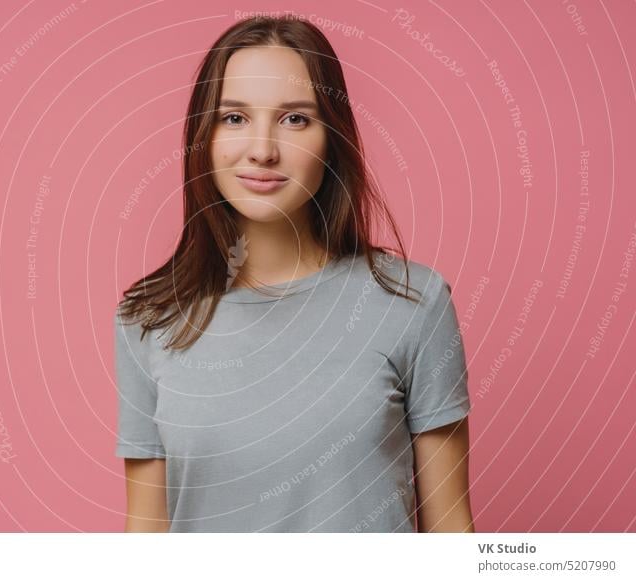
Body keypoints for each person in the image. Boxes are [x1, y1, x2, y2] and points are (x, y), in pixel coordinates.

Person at [113, 15, 473, 533]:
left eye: (295, 119)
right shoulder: (147, 319)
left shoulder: (415, 304)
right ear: (204, 136)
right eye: (234, 118)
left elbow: (450, 533)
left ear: (332, 139)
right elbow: (143, 540)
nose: (262, 149)